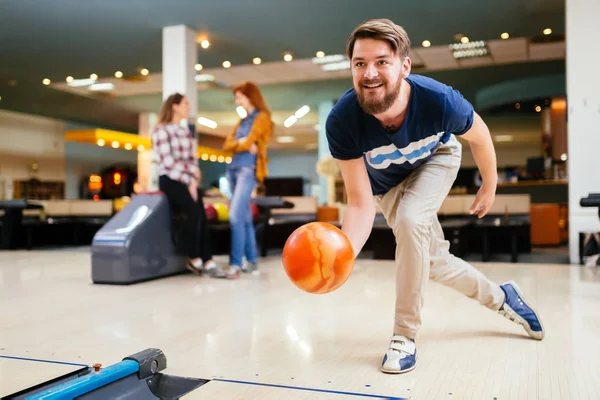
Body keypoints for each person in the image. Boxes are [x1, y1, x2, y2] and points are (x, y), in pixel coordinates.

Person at [325, 19, 544, 374]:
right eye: (360, 63)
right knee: (433, 261)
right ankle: (504, 298)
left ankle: (404, 334)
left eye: (382, 61)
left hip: (437, 159)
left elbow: (480, 135)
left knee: (412, 221)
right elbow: (360, 202)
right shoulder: (342, 122)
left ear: (404, 66)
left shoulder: (439, 100)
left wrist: (489, 185)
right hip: (388, 184)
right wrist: (342, 257)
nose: (370, 73)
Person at [152, 93, 230, 279]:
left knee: (201, 216)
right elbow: (169, 162)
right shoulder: (161, 130)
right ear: (175, 106)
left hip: (189, 181)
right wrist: (189, 179)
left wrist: (194, 181)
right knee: (193, 214)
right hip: (170, 179)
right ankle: (194, 258)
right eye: (186, 104)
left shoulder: (184, 131)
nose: (189, 107)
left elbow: (191, 160)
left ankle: (208, 261)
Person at [223, 81, 273, 277]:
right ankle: (251, 261)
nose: (237, 101)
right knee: (243, 218)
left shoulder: (262, 118)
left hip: (248, 170)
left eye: (239, 97)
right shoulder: (242, 121)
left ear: (249, 96)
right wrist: (240, 143)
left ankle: (236, 263)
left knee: (235, 216)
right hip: (232, 169)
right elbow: (226, 145)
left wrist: (242, 143)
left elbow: (250, 142)